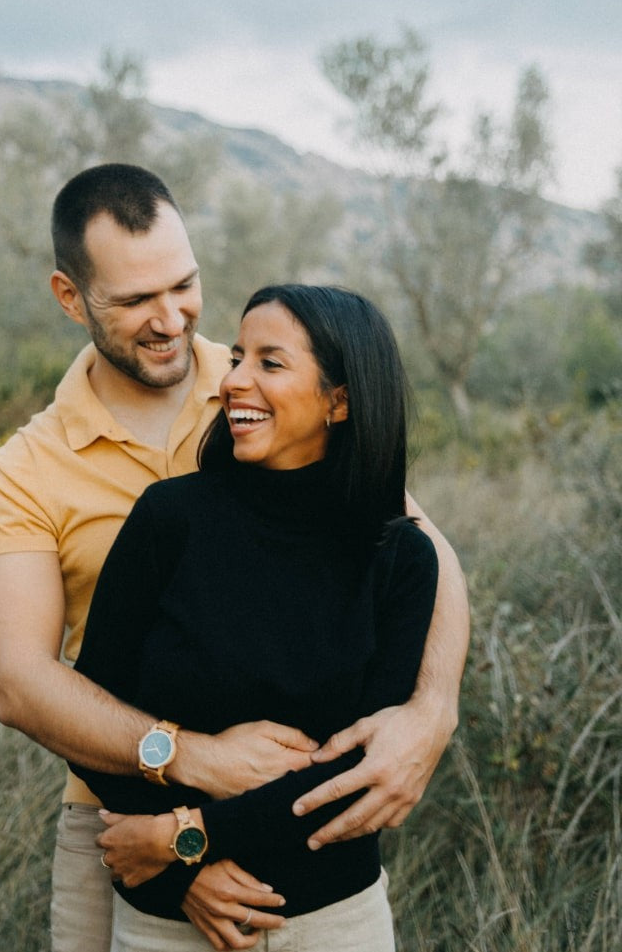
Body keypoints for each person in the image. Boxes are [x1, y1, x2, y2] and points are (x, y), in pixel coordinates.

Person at [0, 165, 469, 952]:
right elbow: (21, 682)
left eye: (184, 284)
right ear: (72, 298)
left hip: (307, 867)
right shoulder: (28, 469)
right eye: (136, 299)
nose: (170, 317)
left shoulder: (264, 382)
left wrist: (433, 708)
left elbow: (422, 553)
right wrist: (181, 819)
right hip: (116, 822)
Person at [68, 284, 437, 951]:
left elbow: (356, 773)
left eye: (269, 362)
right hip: (165, 923)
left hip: (335, 925)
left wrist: (186, 835)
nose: (233, 379)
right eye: (237, 357)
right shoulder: (170, 519)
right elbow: (90, 711)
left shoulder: (399, 557)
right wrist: (181, 870)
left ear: (341, 399)